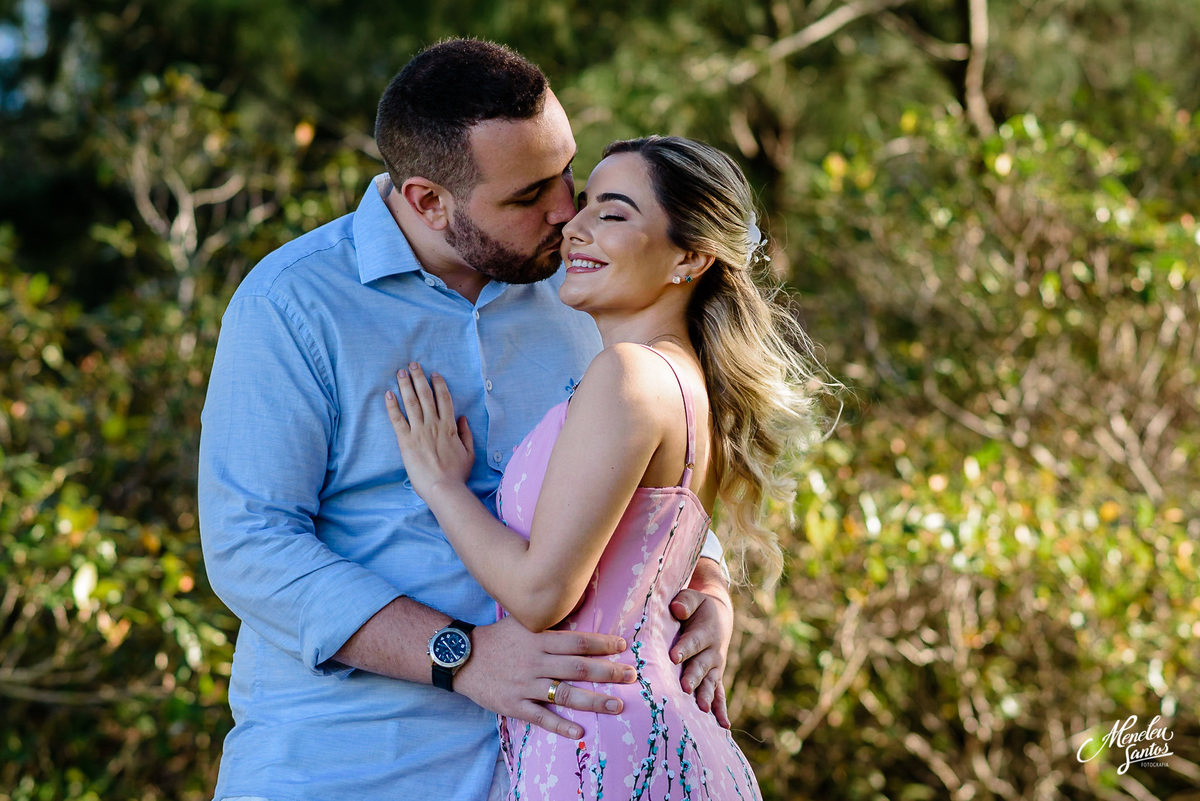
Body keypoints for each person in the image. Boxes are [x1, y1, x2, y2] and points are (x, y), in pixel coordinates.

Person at [197, 40, 734, 801]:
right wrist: (461, 654)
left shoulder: (580, 287)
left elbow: (643, 470)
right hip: (345, 767)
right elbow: (250, 545)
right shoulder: (293, 306)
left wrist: (708, 584)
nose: (566, 212)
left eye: (567, 172)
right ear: (427, 201)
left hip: (555, 766)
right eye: (528, 196)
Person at [385, 135, 825, 800]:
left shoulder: (631, 374)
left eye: (613, 213)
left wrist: (441, 485)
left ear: (690, 256)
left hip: (607, 750)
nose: (575, 225)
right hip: (635, 737)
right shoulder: (681, 380)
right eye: (584, 202)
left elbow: (540, 595)